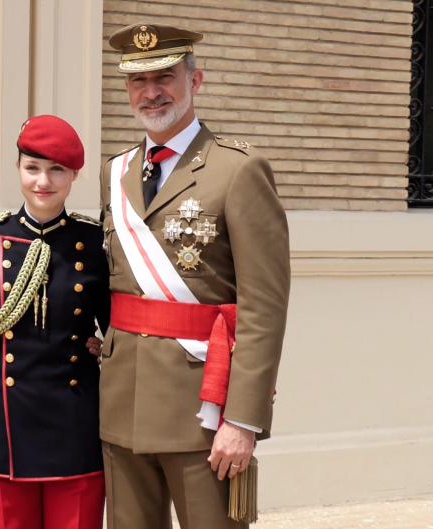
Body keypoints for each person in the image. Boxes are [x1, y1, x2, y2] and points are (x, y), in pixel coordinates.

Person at [98, 23, 291, 528]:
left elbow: (264, 307)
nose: (151, 91)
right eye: (138, 81)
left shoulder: (238, 170)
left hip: (202, 411)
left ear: (195, 80)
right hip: (122, 402)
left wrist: (243, 420)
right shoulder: (114, 172)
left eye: (165, 76)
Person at [0, 115, 109, 529]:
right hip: (2, 430)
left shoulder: (96, 244)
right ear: (18, 169)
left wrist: (104, 350)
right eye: (32, 168)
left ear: (75, 174)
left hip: (75, 423)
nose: (44, 181)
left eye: (57, 169)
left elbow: (117, 331)